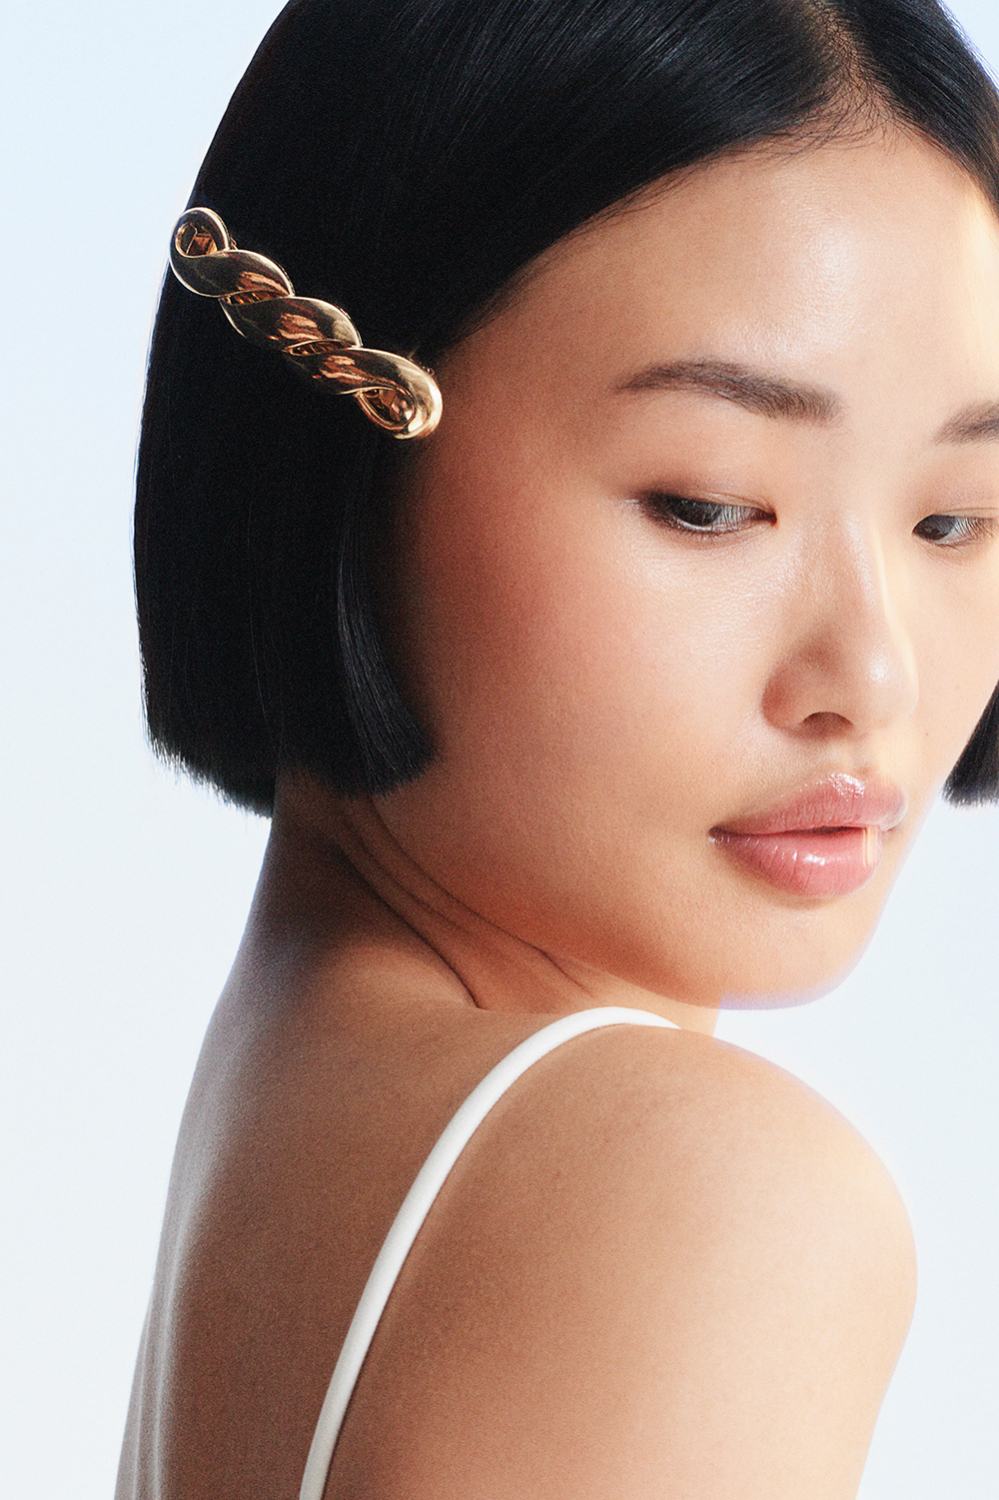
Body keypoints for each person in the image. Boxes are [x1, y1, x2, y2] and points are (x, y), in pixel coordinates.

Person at [117, 1, 999, 1495]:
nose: (871, 673)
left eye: (953, 519)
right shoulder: (694, 1194)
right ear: (340, 452)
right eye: (708, 505)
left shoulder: (293, 1097)